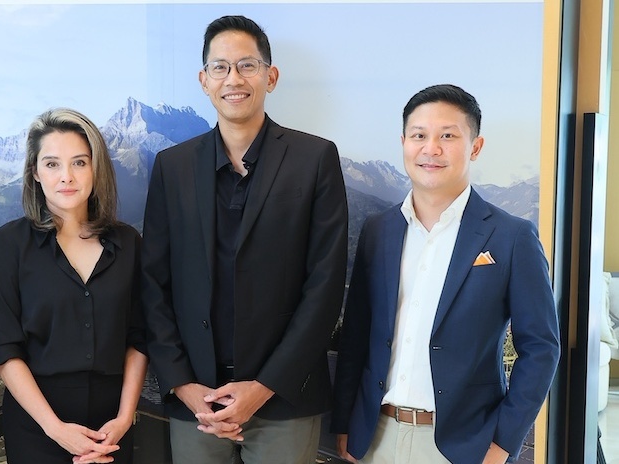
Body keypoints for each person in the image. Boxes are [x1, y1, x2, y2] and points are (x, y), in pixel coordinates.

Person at [141, 15, 348, 464]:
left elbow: (325, 285)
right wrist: (182, 384)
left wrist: (265, 386)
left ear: (270, 76)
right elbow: (153, 283)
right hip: (197, 397)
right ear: (204, 81)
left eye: (247, 65)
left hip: (285, 394)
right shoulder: (172, 167)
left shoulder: (315, 158)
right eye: (220, 67)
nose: (233, 79)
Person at [331, 84, 561, 464]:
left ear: (475, 146)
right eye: (419, 135)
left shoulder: (511, 236)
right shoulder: (378, 230)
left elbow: (541, 348)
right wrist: (344, 423)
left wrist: (503, 443)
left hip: (462, 446)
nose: (431, 149)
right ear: (403, 142)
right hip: (374, 437)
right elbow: (356, 334)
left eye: (448, 136)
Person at [0, 108, 148, 464]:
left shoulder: (128, 243)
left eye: (79, 163)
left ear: (96, 168)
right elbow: (4, 349)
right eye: (52, 164)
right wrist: (55, 428)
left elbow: (139, 337)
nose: (66, 176)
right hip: (38, 425)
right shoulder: (9, 244)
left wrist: (124, 418)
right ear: (34, 172)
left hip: (112, 427)